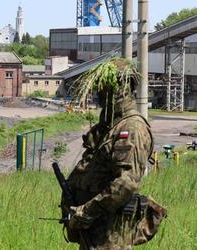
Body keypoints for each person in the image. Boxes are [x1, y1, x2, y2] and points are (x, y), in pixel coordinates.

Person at [61, 58, 167, 250]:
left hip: (110, 234)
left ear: (121, 88)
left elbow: (126, 182)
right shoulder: (109, 126)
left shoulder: (132, 128)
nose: (98, 93)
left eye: (104, 87)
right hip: (94, 229)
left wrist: (88, 211)